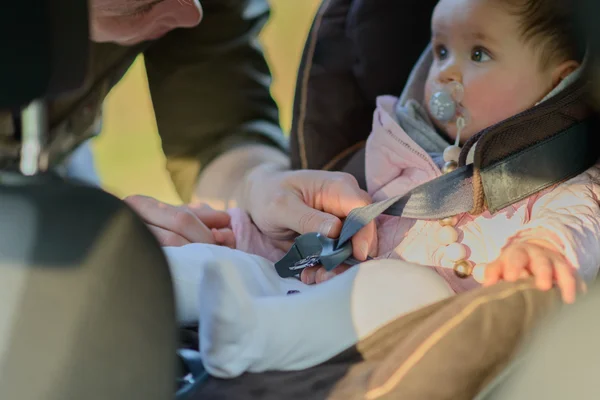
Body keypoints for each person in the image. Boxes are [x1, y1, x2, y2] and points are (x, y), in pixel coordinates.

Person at [157, 0, 600, 379]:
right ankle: (158, 279)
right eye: (442, 51)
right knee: (227, 261)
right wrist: (239, 232)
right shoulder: (396, 152)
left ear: (557, 83)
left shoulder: (559, 181)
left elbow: (582, 218)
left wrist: (545, 246)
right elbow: (324, 232)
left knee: (408, 286)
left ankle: (249, 335)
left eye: (478, 54)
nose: (446, 73)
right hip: (312, 285)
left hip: (416, 323)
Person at [0, 0, 379, 279]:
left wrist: (256, 184)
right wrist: (57, 232)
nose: (193, 16)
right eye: (144, 5)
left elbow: (218, 128)